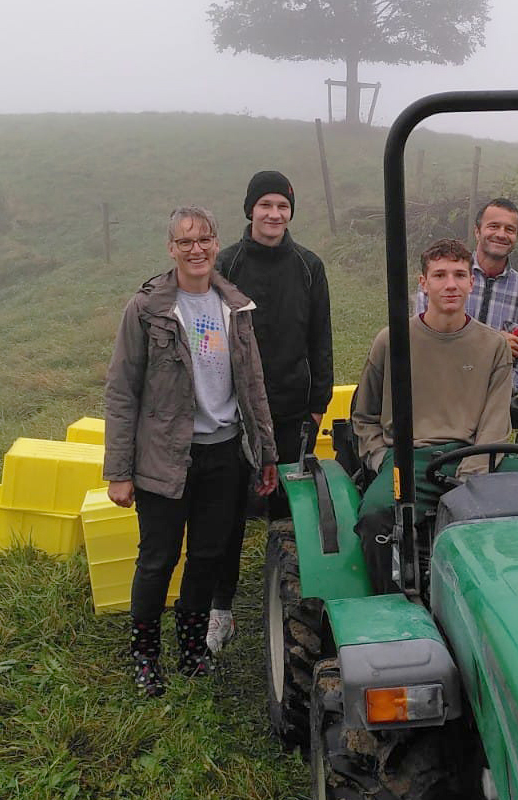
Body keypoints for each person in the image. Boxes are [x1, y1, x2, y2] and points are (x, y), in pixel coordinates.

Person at [104, 205, 278, 697]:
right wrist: (119, 471)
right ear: (171, 249)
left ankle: (191, 650)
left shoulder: (234, 306)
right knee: (157, 558)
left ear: (216, 243)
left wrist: (265, 452)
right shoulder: (148, 309)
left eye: (204, 239)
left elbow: (253, 384)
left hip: (223, 454)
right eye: (185, 242)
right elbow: (121, 391)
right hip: (163, 457)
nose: (196, 249)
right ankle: (146, 657)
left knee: (206, 555)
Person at [208, 170, 334, 654]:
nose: (274, 214)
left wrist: (318, 404)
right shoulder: (227, 264)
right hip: (231, 411)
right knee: (227, 513)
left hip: (290, 409)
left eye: (282, 205)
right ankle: (222, 609)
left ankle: (289, 604)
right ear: (250, 210)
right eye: (265, 205)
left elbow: (320, 338)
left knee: (288, 513)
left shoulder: (308, 266)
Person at [353, 238, 512, 592]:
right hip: (409, 458)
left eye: (459, 274)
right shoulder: (391, 341)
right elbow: (364, 415)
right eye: (439, 275)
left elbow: (496, 422)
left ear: (472, 281)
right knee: (376, 516)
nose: (450, 284)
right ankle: (389, 603)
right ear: (423, 283)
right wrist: (381, 458)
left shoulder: (493, 346)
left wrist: (470, 479)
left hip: (475, 455)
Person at [414, 198, 518, 395]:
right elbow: (423, 343)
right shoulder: (444, 281)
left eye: (509, 229)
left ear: (517, 236)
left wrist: (504, 390)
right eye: (493, 226)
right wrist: (493, 345)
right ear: (477, 231)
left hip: (493, 410)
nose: (501, 234)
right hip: (438, 397)